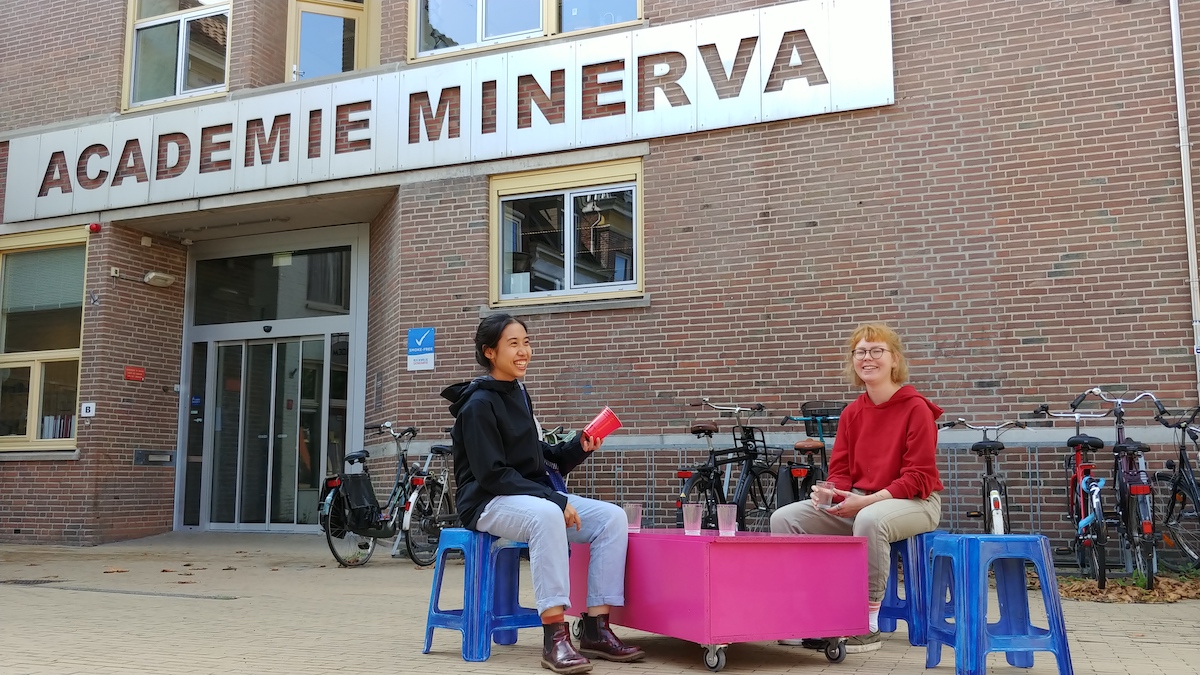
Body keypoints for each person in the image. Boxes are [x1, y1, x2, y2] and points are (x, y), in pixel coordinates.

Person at [441, 313, 644, 675]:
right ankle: (555, 636)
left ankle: (596, 627)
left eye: (527, 342)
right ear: (490, 352)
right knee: (548, 515)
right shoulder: (477, 406)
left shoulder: (518, 393)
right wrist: (554, 500)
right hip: (487, 501)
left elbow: (537, 459)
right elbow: (493, 473)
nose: (524, 351)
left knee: (611, 518)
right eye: (513, 344)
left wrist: (579, 447)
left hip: (529, 496)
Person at [771, 322, 943, 653]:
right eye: (860, 352)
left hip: (916, 502)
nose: (868, 358)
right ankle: (806, 613)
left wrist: (863, 502)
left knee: (870, 520)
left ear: (894, 360)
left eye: (877, 350)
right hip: (861, 501)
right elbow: (841, 472)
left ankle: (866, 625)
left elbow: (919, 476)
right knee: (785, 518)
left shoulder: (916, 408)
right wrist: (829, 493)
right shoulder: (852, 413)